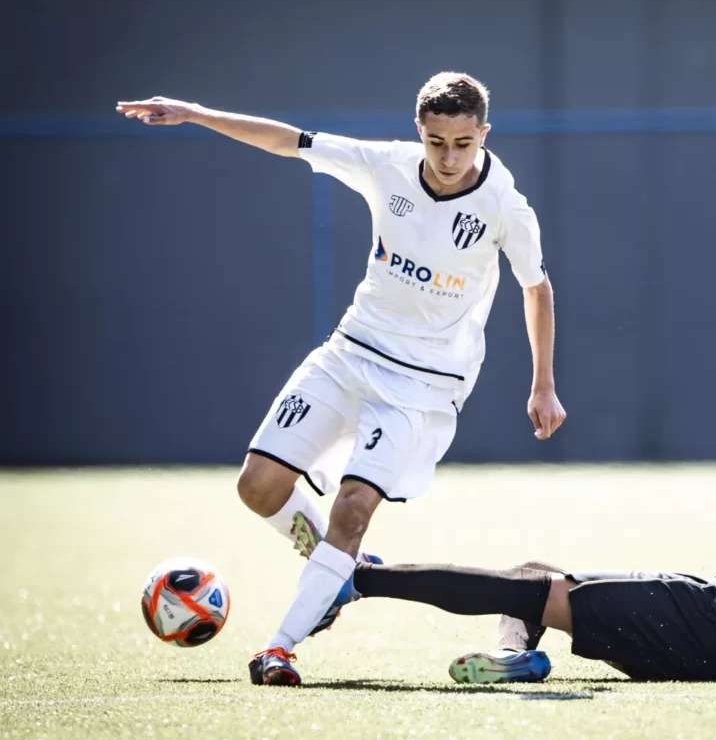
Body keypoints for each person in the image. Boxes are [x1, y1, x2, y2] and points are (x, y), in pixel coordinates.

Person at [116, 73, 567, 686]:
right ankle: (337, 571)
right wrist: (195, 112)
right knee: (258, 487)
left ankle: (279, 649)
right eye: (437, 142)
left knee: (352, 509)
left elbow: (536, 289)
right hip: (350, 353)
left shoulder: (506, 206)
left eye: (463, 143)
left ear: (483, 134)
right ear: (419, 132)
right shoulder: (385, 165)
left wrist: (543, 383)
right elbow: (290, 141)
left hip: (423, 386)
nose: (449, 157)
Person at [330, 428, 716, 683]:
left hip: (703, 619)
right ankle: (516, 657)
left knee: (522, 587)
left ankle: (359, 579)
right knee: (536, 574)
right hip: (704, 647)